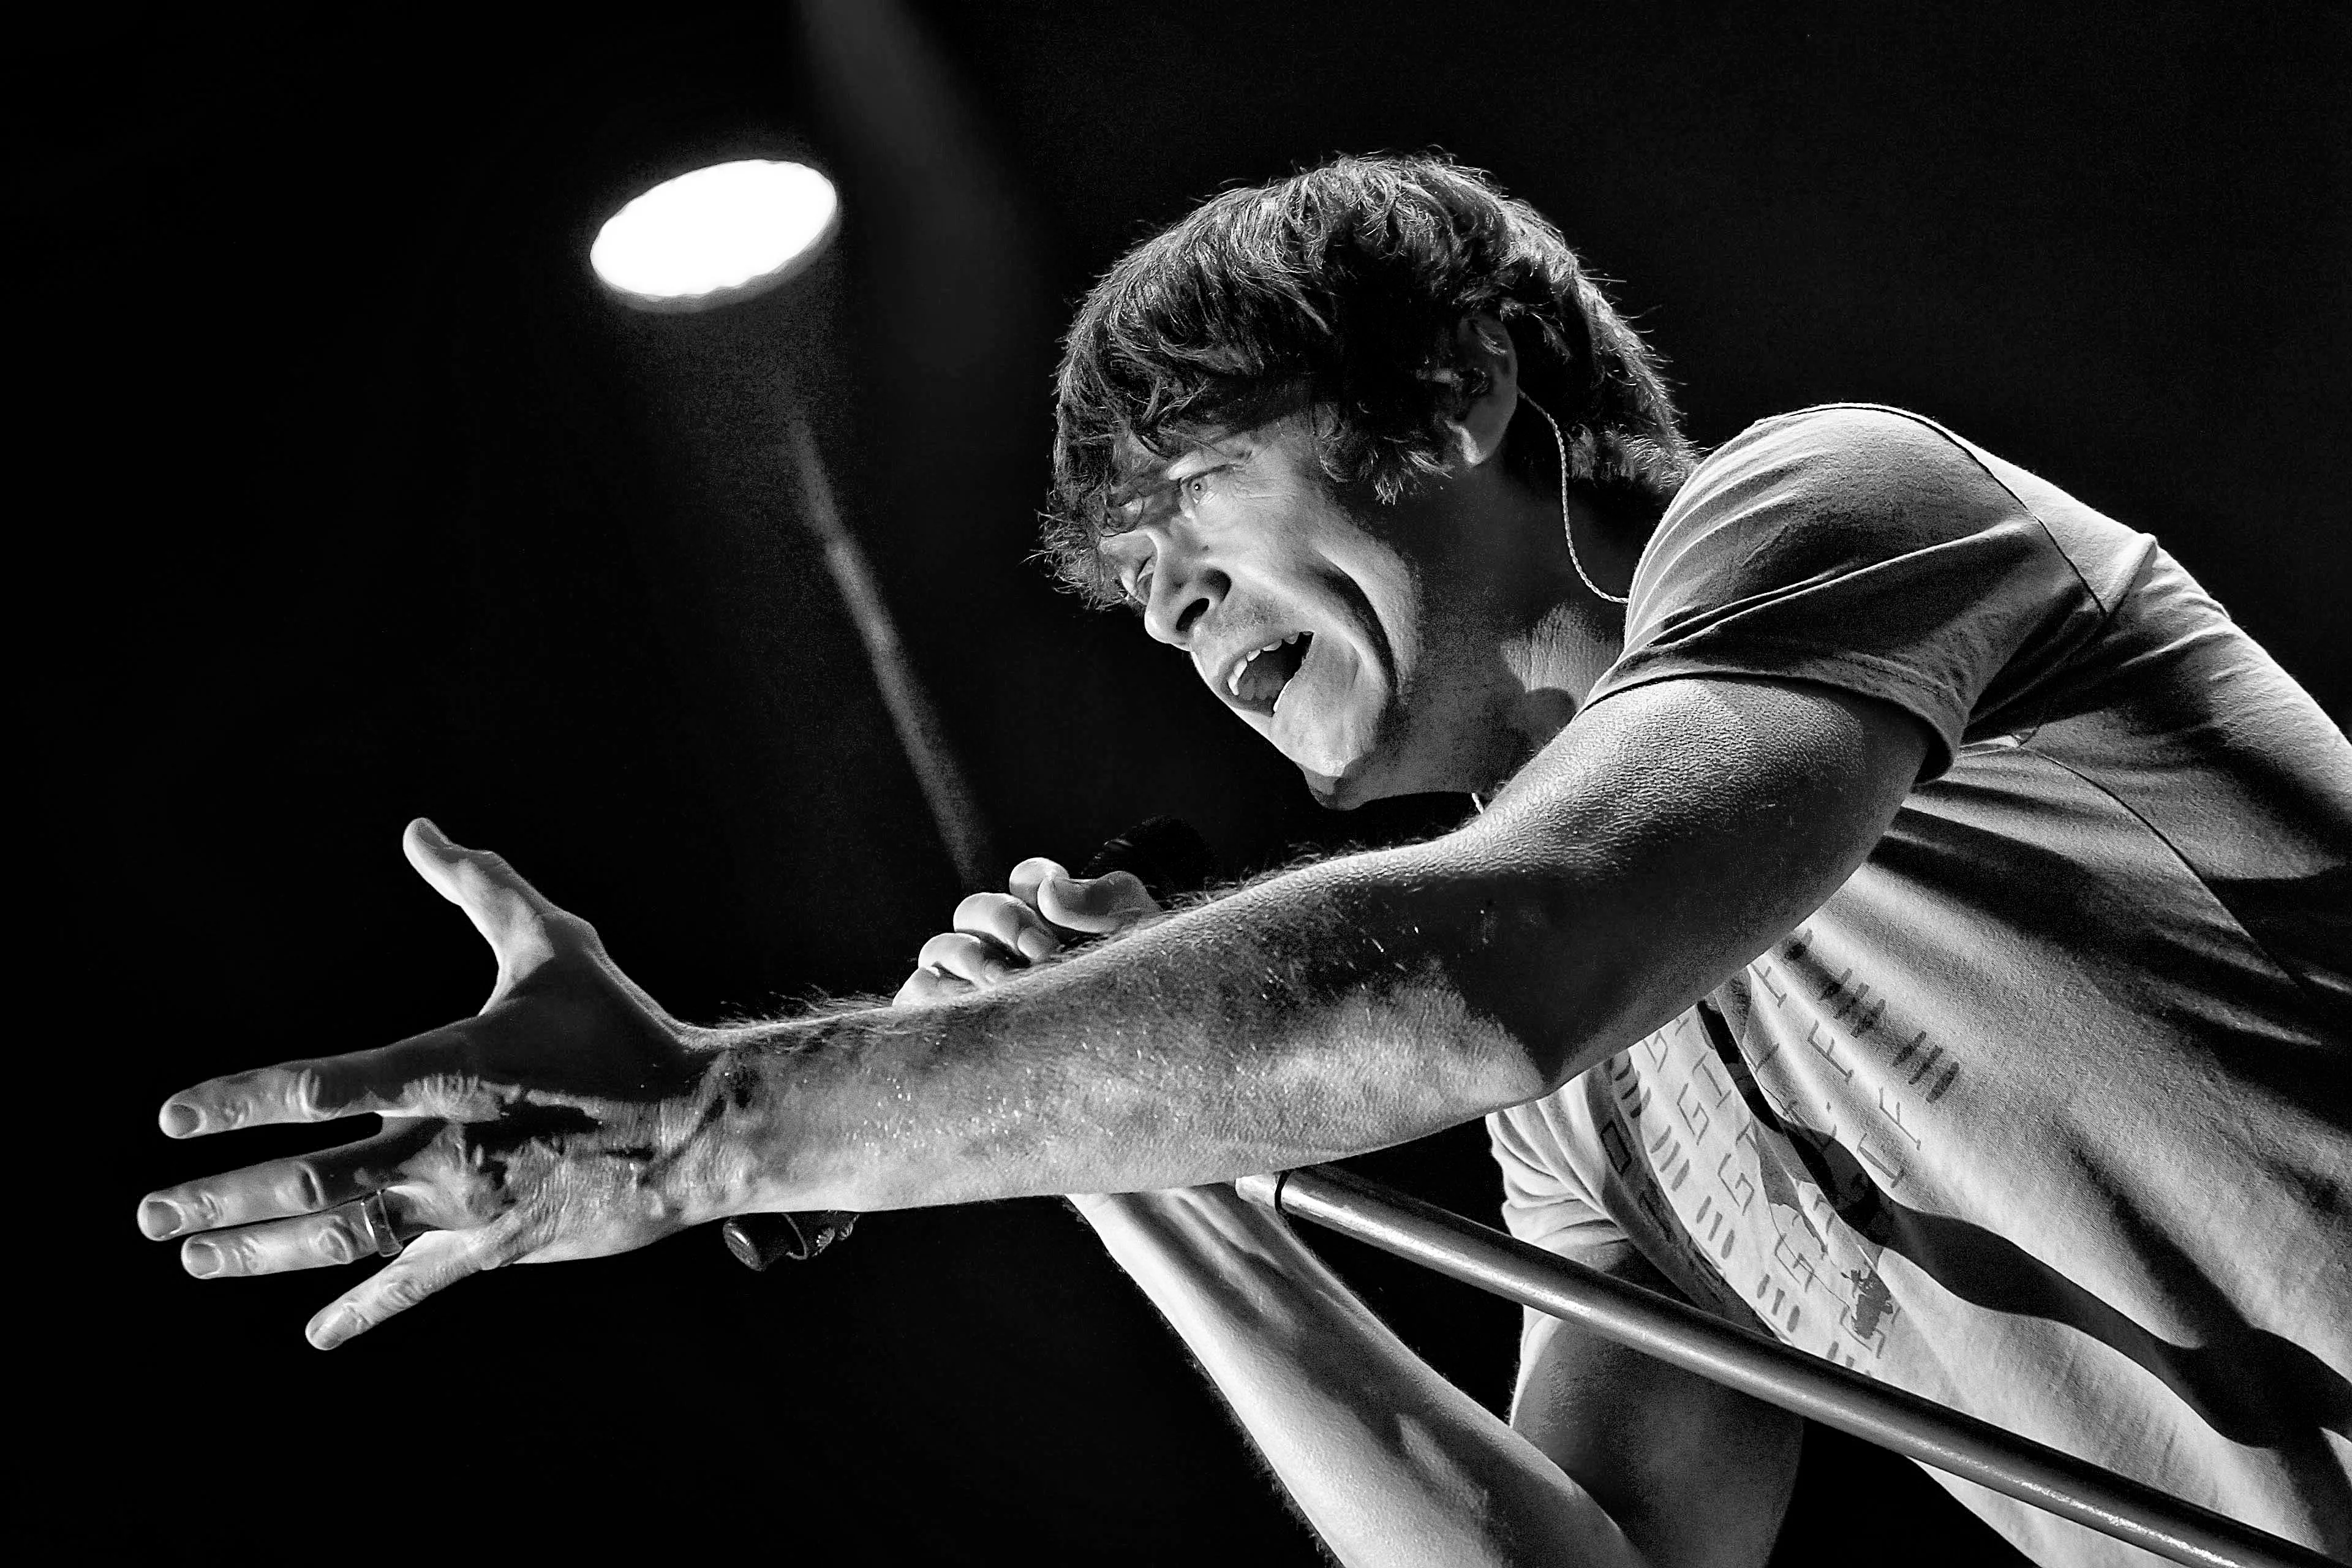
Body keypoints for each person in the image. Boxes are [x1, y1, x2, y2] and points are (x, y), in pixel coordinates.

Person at [137, 155, 2348, 1566]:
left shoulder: (1839, 505)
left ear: (1462, 391)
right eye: (1129, 594)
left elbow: (1475, 970)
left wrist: (719, 1123)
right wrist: (1124, 1154)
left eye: (1186, 499)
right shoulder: (1602, 1099)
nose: (1171, 612)